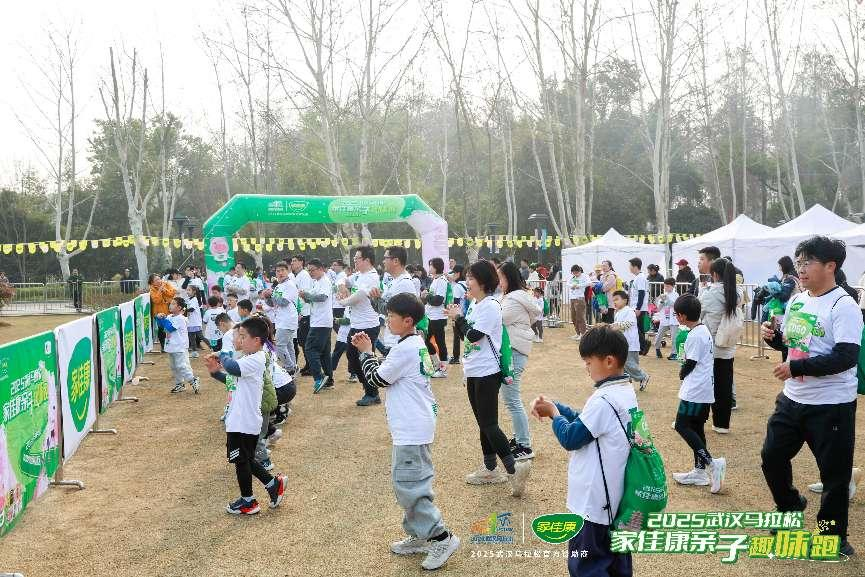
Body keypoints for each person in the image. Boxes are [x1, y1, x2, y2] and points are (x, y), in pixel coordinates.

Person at [760, 236, 863, 557]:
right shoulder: (798, 300)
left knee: (833, 476)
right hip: (792, 399)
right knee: (772, 457)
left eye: (808, 263)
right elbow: (795, 344)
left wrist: (797, 366)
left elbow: (846, 356)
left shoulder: (843, 305)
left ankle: (833, 539)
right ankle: (790, 506)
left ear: (830, 266)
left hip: (831, 404)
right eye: (799, 262)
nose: (800, 269)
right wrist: (776, 339)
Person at [351, 293, 460, 570]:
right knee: (408, 483)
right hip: (413, 425)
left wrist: (365, 353)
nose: (387, 322)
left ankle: (441, 537)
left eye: (391, 318)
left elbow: (377, 378)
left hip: (412, 428)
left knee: (410, 486)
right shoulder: (413, 341)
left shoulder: (406, 348)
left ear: (407, 320)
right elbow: (389, 368)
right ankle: (418, 534)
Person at [529, 325, 636, 577]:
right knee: (617, 563)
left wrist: (554, 414)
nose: (586, 368)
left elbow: (571, 437)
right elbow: (585, 422)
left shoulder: (602, 400)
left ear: (608, 361)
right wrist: (558, 407)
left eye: (589, 362)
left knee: (587, 566)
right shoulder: (624, 391)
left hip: (594, 504)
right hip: (615, 500)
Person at [447, 260, 531, 496]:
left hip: (487, 373)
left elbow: (473, 335)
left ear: (482, 281)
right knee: (483, 423)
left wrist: (458, 318)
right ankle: (490, 468)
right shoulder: (476, 304)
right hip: (474, 371)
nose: (467, 282)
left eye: (471, 278)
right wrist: (458, 318)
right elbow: (465, 335)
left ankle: (514, 470)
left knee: (490, 424)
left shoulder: (491, 306)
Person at [204, 317, 286, 515]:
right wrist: (216, 373)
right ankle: (271, 484)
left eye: (243, 336)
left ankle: (248, 501)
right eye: (238, 336)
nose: (239, 340)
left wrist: (222, 352)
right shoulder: (247, 358)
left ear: (256, 340)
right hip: (240, 420)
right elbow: (233, 380)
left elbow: (232, 368)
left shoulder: (256, 358)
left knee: (241, 460)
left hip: (244, 421)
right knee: (245, 459)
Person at [671, 294, 727, 493]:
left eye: (677, 314)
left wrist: (681, 373)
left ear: (683, 316)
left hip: (695, 391)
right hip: (703, 389)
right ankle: (699, 471)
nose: (676, 318)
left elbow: (691, 362)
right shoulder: (702, 330)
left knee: (682, 425)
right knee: (696, 427)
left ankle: (712, 464)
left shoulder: (695, 335)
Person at [498, 261, 541, 462]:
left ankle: (524, 444)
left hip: (513, 351)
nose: (498, 282)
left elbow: (497, 319)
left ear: (508, 278)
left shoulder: (513, 300)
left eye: (501, 277)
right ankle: (520, 439)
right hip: (514, 350)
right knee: (511, 399)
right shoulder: (514, 297)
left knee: (512, 400)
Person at [338, 246, 384, 406]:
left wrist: (343, 301)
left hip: (368, 325)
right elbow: (342, 278)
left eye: (357, 258)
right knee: (352, 357)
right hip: (357, 323)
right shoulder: (359, 275)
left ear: (366, 260)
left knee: (362, 358)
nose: (354, 261)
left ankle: (372, 393)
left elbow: (358, 296)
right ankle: (370, 390)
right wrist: (342, 285)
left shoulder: (371, 277)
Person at [699, 258, 739, 434]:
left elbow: (698, 312)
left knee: (703, 386)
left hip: (711, 346)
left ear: (714, 274)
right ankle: (722, 424)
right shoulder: (735, 293)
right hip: (727, 346)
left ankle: (696, 420)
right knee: (724, 385)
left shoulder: (710, 292)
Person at [301, 259, 334, 393]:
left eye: (312, 270)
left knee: (310, 349)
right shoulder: (316, 282)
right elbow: (313, 299)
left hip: (321, 322)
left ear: (321, 268)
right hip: (320, 321)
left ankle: (319, 378)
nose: (310, 272)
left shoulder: (325, 281)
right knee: (324, 353)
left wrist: (307, 295)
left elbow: (322, 297)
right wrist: (305, 297)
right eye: (308, 270)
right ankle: (329, 379)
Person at [379, 246, 420, 354]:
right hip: (393, 339)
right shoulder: (395, 281)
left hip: (398, 342)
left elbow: (389, 310)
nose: (383, 261)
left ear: (396, 261)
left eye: (385, 258)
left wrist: (376, 299)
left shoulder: (404, 283)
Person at [154, 296, 200, 394]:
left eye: (173, 304)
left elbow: (170, 328)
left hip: (179, 347)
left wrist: (163, 319)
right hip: (171, 347)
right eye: (171, 303)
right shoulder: (170, 317)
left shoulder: (180, 319)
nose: (170, 305)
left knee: (181, 366)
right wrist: (158, 318)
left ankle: (193, 380)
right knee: (174, 367)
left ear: (179, 308)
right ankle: (179, 384)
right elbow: (162, 326)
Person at [261, 261, 298, 374]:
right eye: (278, 271)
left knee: (280, 346)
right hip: (281, 319)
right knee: (288, 345)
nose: (280, 273)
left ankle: (290, 368)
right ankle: (293, 367)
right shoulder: (278, 286)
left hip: (288, 319)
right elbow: (273, 304)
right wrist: (267, 297)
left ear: (288, 271)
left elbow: (283, 302)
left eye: (283, 270)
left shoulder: (290, 285)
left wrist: (271, 294)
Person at [610, 290, 649, 391]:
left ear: (625, 300)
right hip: (622, 343)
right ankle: (626, 381)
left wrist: (617, 326)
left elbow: (630, 323)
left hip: (630, 344)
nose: (615, 302)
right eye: (613, 300)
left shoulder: (629, 311)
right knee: (622, 363)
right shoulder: (618, 312)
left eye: (617, 299)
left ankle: (643, 376)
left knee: (629, 364)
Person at [422, 257, 449, 378]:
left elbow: (438, 300)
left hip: (438, 317)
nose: (430, 268)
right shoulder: (435, 280)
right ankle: (437, 365)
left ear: (437, 267)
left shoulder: (442, 280)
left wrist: (427, 296)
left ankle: (442, 369)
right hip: (431, 316)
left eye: (431, 265)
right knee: (427, 341)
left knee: (440, 342)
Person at [290, 255, 313, 375]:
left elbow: (302, 294)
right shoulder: (297, 276)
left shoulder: (303, 275)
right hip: (300, 313)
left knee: (305, 341)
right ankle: (309, 364)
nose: (292, 263)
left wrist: (298, 311)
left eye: (295, 261)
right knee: (303, 341)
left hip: (304, 312)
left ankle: (311, 366)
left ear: (301, 262)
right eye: (292, 261)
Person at [148, 273, 176, 352]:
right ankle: (163, 346)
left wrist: (165, 290)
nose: (159, 281)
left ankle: (170, 344)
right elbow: (156, 300)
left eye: (159, 279)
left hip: (169, 310)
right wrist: (160, 291)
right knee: (161, 329)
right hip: (159, 312)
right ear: (152, 282)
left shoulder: (166, 284)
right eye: (156, 280)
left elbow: (172, 293)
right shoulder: (152, 290)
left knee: (170, 327)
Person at [628, 258, 650, 355]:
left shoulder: (640, 278)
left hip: (638, 307)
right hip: (638, 307)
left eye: (630, 266)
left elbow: (641, 293)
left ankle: (644, 344)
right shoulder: (639, 277)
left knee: (636, 328)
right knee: (639, 328)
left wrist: (638, 308)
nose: (629, 268)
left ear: (635, 266)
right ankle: (642, 347)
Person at [654, 278, 680, 360]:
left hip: (673, 318)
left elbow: (675, 305)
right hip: (664, 318)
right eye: (665, 286)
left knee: (674, 337)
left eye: (668, 286)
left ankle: (674, 353)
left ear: (673, 286)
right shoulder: (662, 295)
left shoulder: (676, 295)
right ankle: (657, 349)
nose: (666, 288)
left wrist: (667, 299)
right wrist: (661, 301)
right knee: (659, 336)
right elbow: (658, 308)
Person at [448, 265, 468, 363]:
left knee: (457, 336)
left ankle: (456, 357)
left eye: (454, 273)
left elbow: (456, 303)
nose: (452, 275)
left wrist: (453, 317)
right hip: (468, 313)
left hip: (459, 314)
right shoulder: (468, 284)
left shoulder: (457, 287)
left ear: (458, 274)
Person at [567, 265, 589, 341]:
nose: (575, 274)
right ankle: (577, 333)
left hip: (579, 298)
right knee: (574, 317)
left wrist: (578, 286)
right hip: (572, 298)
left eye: (576, 272)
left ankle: (583, 333)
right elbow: (568, 283)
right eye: (573, 273)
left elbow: (588, 283)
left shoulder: (584, 276)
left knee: (580, 317)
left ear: (579, 271)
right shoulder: (572, 277)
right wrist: (572, 286)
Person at [184, 285, 204, 358]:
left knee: (200, 336)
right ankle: (194, 352)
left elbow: (192, 309)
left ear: (194, 292)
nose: (187, 292)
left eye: (189, 290)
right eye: (187, 290)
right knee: (191, 337)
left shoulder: (194, 299)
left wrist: (183, 310)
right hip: (190, 322)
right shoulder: (189, 299)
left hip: (195, 322)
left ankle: (212, 347)